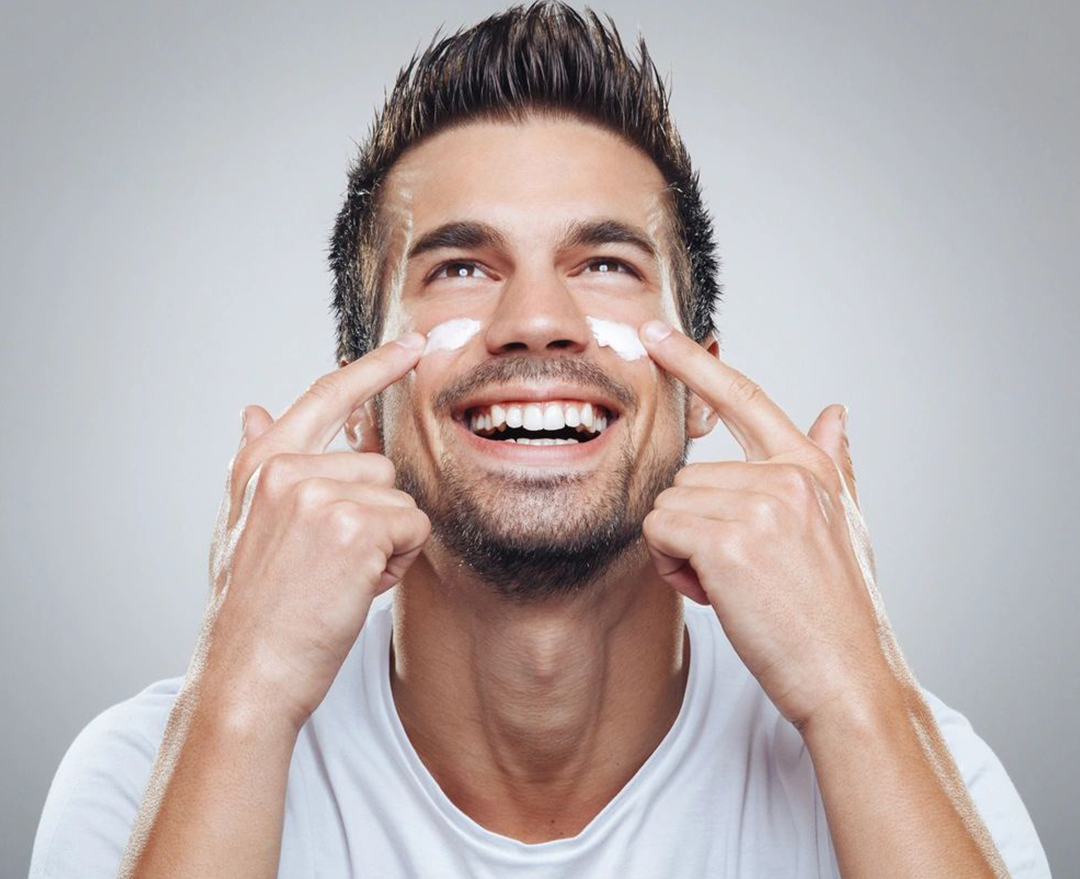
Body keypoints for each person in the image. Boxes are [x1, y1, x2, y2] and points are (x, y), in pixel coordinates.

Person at [28, 3, 1051, 877]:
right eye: (459, 269)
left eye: (604, 262)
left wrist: (855, 689)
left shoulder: (917, 771)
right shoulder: (147, 772)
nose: (536, 317)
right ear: (355, 399)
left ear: (703, 386)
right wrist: (241, 696)